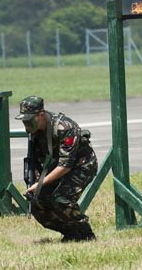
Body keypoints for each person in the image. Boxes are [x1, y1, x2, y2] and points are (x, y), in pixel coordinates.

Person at [17, 96, 98, 242]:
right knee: (37, 203)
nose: (26, 125)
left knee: (61, 199)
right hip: (57, 166)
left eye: (29, 120)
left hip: (81, 165)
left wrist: (40, 183)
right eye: (24, 121)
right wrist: (35, 172)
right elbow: (37, 157)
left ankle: (86, 234)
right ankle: (71, 233)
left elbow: (65, 166)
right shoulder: (34, 130)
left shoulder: (65, 127)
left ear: (41, 116)